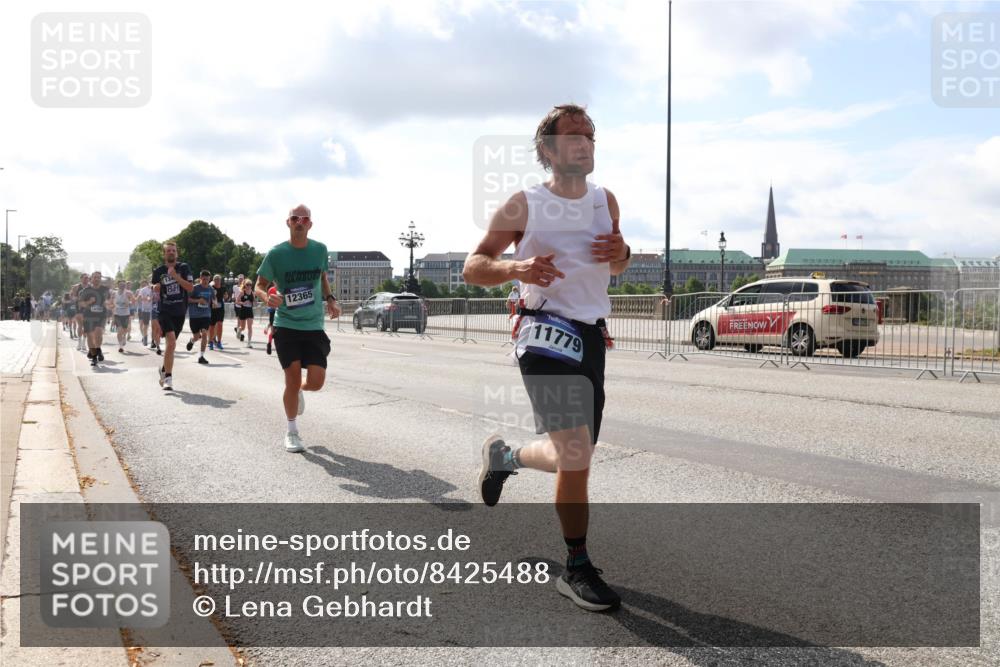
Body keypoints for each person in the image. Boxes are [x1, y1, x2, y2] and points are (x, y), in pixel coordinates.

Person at [463, 105, 631, 612]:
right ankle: (576, 566)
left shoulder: (606, 200)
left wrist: (621, 251)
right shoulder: (524, 204)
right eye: (574, 135)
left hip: (592, 337)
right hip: (544, 335)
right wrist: (519, 266)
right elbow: (475, 266)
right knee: (576, 454)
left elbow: (618, 264)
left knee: (569, 457)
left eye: (591, 136)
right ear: (547, 150)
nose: (585, 143)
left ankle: (506, 457)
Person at [255, 204, 339, 453]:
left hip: (313, 324)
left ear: (310, 224)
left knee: (316, 382)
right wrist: (265, 297)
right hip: (286, 324)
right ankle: (292, 431)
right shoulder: (277, 254)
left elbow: (322, 277)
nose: (300, 222)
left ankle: (300, 390)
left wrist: (331, 299)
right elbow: (260, 284)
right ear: (288, 223)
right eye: (295, 218)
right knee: (291, 378)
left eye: (304, 218)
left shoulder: (319, 250)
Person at [151, 241, 194, 390]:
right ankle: (168, 378)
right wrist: (153, 287)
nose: (171, 252)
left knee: (171, 345)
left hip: (180, 311)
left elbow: (190, 288)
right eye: (168, 250)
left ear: (177, 253)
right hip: (165, 310)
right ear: (164, 254)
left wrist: (175, 276)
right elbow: (153, 290)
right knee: (171, 342)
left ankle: (164, 370)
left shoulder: (183, 268)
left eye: (173, 251)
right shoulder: (158, 271)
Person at [79, 271, 111, 367]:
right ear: (91, 279)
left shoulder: (105, 289)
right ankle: (94, 356)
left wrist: (108, 303)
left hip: (101, 315)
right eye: (95, 277)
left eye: (99, 277)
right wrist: (89, 302)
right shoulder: (86, 290)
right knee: (90, 336)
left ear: (100, 279)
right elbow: (81, 304)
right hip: (89, 315)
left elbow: (110, 300)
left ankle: (97, 349)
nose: (97, 279)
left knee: (98, 333)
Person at [185, 270, 214, 365]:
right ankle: (192, 341)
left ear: (210, 279)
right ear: (200, 278)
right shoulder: (194, 288)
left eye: (207, 279)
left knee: (205, 333)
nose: (206, 281)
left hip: (206, 315)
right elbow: (187, 299)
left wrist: (215, 303)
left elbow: (213, 299)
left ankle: (201, 356)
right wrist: (198, 300)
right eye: (204, 279)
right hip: (194, 316)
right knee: (197, 337)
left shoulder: (211, 289)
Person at [111, 279, 134, 353]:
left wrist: (129, 302)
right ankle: (120, 346)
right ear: (118, 285)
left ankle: (124, 336)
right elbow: (112, 304)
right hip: (117, 314)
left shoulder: (128, 293)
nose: (122, 286)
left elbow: (133, 301)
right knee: (119, 330)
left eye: (124, 285)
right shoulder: (114, 293)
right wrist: (113, 317)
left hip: (126, 314)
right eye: (121, 285)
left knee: (125, 329)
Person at [235, 279, 256, 348]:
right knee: (243, 327)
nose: (249, 286)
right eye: (247, 284)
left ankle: (249, 343)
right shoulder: (242, 292)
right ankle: (239, 330)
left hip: (249, 310)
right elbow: (237, 301)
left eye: (250, 285)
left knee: (250, 327)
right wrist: (243, 303)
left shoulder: (252, 293)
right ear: (245, 285)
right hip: (243, 310)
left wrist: (254, 303)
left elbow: (255, 302)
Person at [208, 274, 227, 351]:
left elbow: (226, 296)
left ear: (220, 280)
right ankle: (211, 342)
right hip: (213, 308)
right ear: (213, 280)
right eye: (216, 279)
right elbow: (208, 297)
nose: (217, 281)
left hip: (220, 308)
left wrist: (226, 296)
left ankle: (219, 342)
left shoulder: (223, 288)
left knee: (220, 324)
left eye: (218, 279)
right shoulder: (211, 288)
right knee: (212, 326)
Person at [136, 279, 153, 347]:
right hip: (145, 309)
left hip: (154, 310)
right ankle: (145, 337)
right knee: (145, 325)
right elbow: (139, 298)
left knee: (154, 326)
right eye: (151, 281)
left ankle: (153, 341)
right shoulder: (143, 290)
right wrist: (147, 298)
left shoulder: (156, 288)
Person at [264, 284, 278, 355]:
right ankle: (269, 344)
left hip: (282, 311)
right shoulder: (271, 289)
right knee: (273, 330)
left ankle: (267, 327)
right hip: (273, 310)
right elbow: (268, 301)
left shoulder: (283, 287)